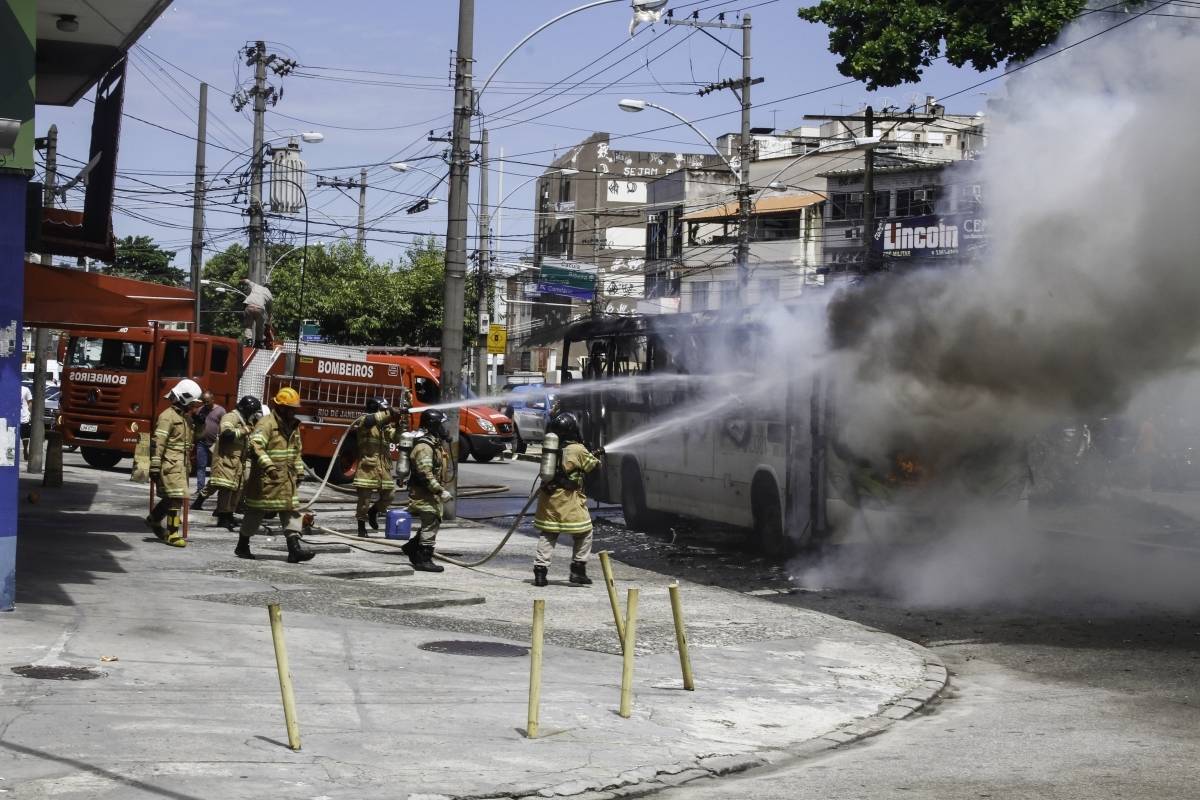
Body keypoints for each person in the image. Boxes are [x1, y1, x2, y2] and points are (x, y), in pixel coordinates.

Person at [238, 387, 314, 562]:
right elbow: (255, 446)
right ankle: (242, 545)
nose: (292, 411)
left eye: (294, 408)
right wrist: (269, 467)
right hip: (266, 480)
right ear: (279, 406)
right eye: (289, 408)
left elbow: (295, 451)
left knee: (291, 511)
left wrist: (300, 472)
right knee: (255, 514)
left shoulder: (293, 426)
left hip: (287, 479)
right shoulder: (266, 424)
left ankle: (294, 550)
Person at [532, 412, 603, 587]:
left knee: (549, 534)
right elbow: (593, 469)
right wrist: (595, 455)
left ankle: (540, 573)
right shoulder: (578, 449)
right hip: (568, 500)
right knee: (585, 532)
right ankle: (578, 570)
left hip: (548, 499)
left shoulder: (551, 448)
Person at [145, 379, 204, 548]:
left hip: (182, 465)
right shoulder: (167, 417)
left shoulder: (186, 418)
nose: (194, 406)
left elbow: (198, 437)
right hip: (170, 464)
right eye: (192, 403)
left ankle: (154, 519)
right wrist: (155, 466)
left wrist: (200, 424)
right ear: (184, 398)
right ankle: (172, 534)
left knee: (171, 498)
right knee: (178, 498)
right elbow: (158, 442)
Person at [192, 395, 260, 533]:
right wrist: (244, 430)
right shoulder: (231, 417)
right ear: (246, 409)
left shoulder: (245, 420)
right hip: (226, 459)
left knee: (235, 489)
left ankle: (228, 515)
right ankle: (222, 516)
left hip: (237, 461)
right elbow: (226, 434)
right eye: (252, 411)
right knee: (225, 488)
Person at [352, 393, 410, 537]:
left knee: (390, 495)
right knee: (364, 500)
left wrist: (400, 424)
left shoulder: (384, 427)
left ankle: (374, 511)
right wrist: (389, 412)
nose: (386, 413)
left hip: (383, 468)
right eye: (383, 410)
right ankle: (361, 527)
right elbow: (369, 421)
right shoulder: (364, 421)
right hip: (367, 468)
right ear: (376, 409)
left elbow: (396, 439)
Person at [402, 408, 452, 573]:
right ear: (433, 426)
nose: (444, 429)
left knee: (433, 521)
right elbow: (425, 473)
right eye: (441, 426)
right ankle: (424, 559)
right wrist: (439, 491)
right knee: (430, 523)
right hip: (424, 493)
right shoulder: (425, 446)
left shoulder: (434, 444)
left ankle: (411, 548)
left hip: (428, 493)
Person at [191, 391, 224, 498]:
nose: (205, 404)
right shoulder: (201, 410)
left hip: (215, 444)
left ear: (213, 400)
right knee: (201, 466)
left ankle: (213, 489)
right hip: (202, 443)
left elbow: (224, 426)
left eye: (207, 402)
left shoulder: (221, 411)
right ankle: (200, 489)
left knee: (216, 467)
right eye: (204, 402)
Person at [240, 278, 273, 348]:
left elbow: (246, 281)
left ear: (264, 286)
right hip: (260, 309)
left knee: (248, 326)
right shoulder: (270, 295)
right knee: (259, 327)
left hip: (249, 306)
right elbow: (269, 311)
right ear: (270, 288)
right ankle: (258, 342)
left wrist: (240, 281)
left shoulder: (256, 286)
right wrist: (268, 321)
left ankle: (249, 340)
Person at [19, 382, 32, 461]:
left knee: (25, 437)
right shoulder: (9, 388)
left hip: (24, 417)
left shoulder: (25, 389)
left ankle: (25, 449)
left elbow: (30, 402)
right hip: (13, 417)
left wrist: (29, 412)